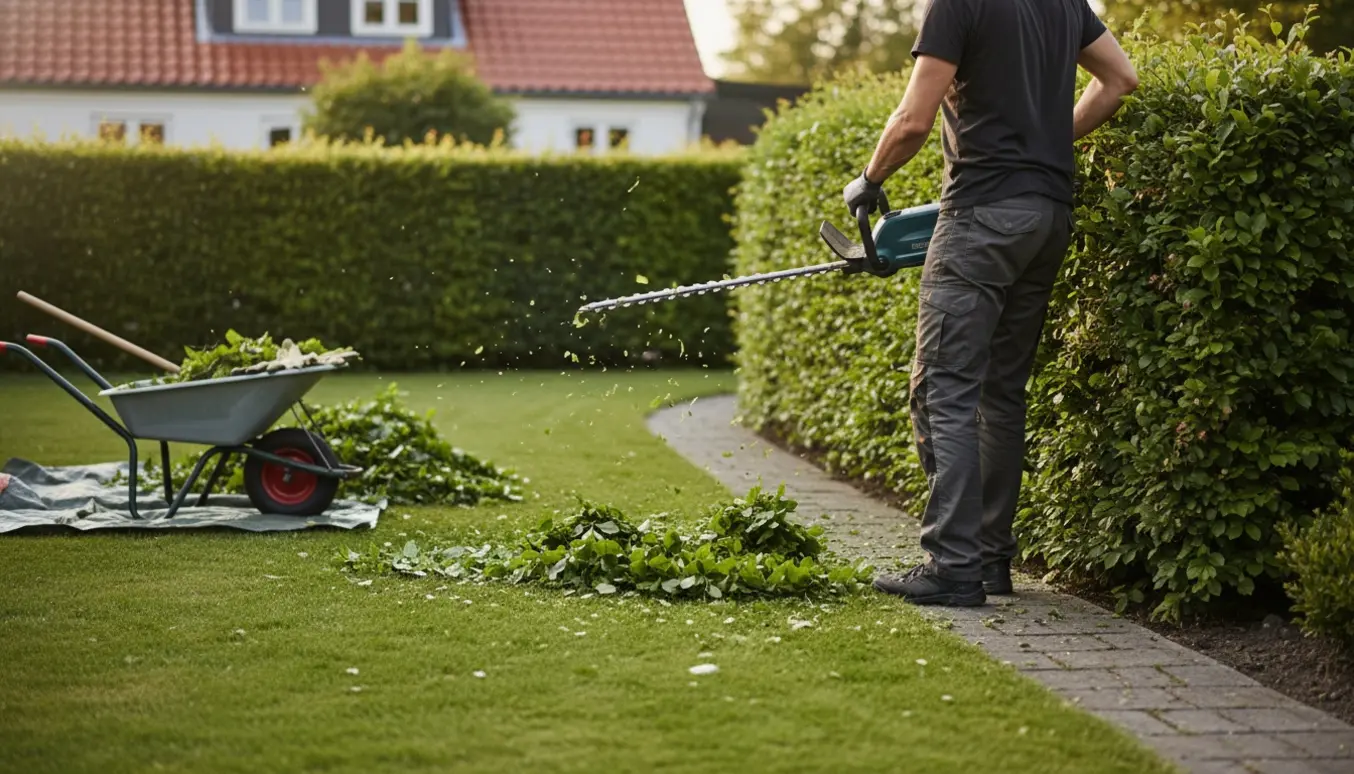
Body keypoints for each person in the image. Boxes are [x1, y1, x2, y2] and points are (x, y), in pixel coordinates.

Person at [842, 0, 1140, 606]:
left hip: (982, 214)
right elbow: (1120, 80)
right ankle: (989, 562)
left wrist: (869, 181)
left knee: (943, 386)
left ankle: (953, 564)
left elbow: (912, 121)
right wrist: (1048, 139)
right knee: (1000, 392)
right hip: (1047, 217)